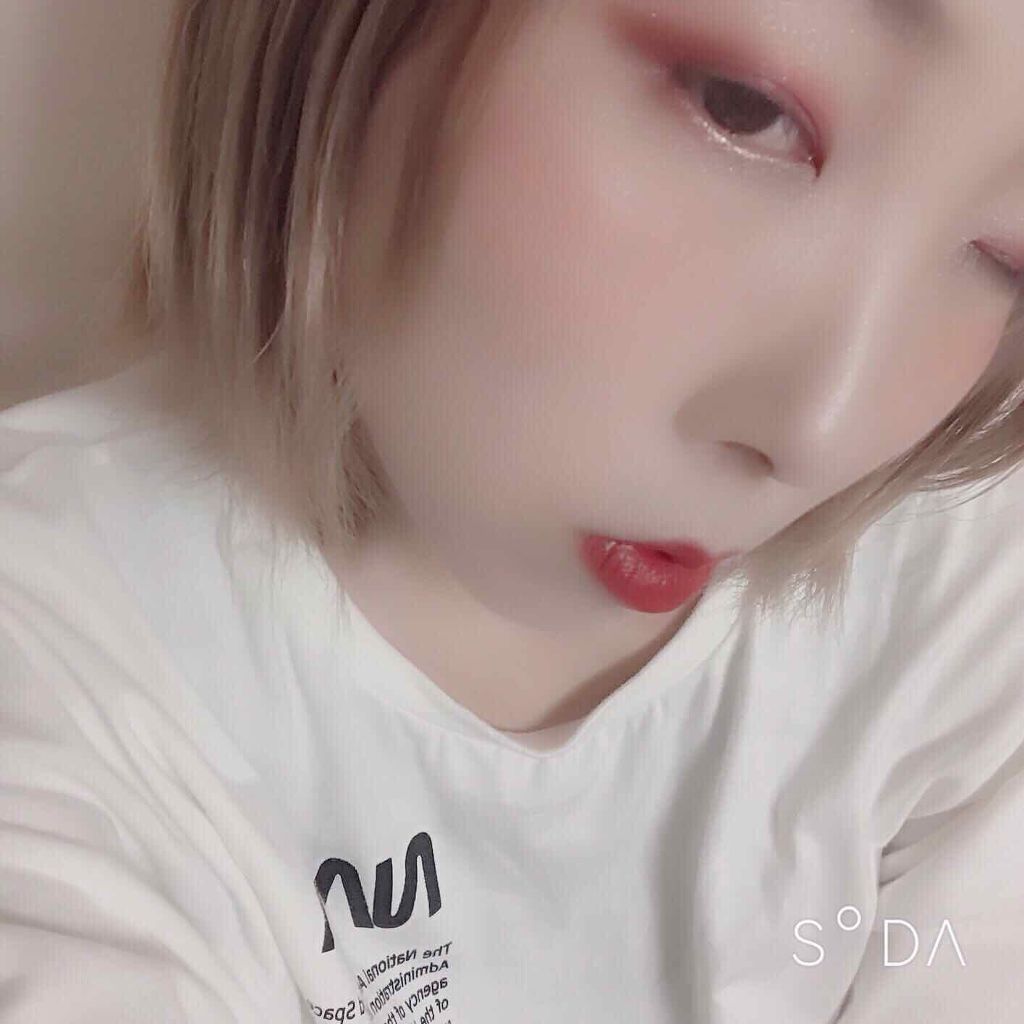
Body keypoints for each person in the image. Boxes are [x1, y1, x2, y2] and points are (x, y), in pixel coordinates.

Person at [2, 0, 1024, 1020]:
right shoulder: (56, 659)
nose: (826, 431)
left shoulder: (965, 585)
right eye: (741, 106)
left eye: (1006, 257)